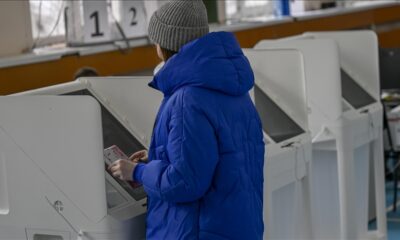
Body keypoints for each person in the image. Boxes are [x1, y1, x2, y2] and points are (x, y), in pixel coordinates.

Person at [109, 0, 265, 239]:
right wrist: (158, 159)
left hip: (198, 231)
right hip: (237, 227)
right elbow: (215, 160)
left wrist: (138, 173)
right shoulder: (234, 90)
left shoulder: (187, 99)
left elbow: (185, 182)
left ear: (165, 45)